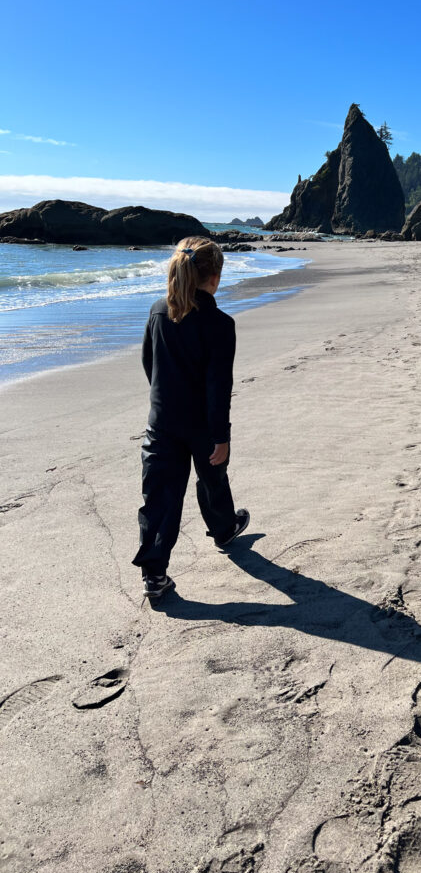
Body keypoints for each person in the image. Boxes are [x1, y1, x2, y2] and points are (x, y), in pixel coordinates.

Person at [133, 236, 249, 601]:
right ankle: (224, 528)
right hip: (202, 423)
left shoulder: (157, 311)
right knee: (213, 475)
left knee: (160, 497)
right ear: (214, 279)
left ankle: (154, 574)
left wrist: (164, 399)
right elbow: (219, 386)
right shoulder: (219, 323)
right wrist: (221, 434)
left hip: (163, 419)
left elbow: (148, 362)